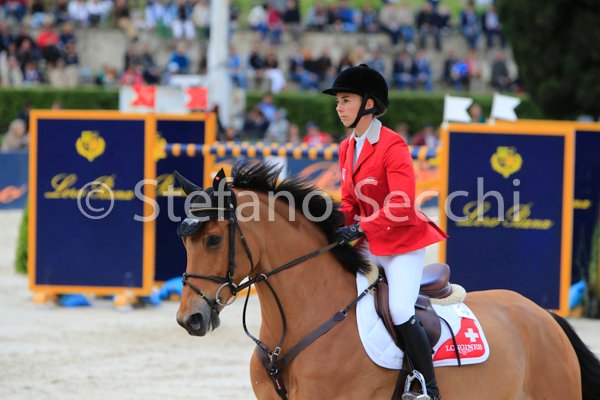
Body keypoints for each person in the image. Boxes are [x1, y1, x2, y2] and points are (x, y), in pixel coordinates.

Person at [323, 64, 447, 400]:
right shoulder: (347, 147)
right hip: (369, 243)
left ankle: (428, 387)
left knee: (400, 311)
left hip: (402, 244)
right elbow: (350, 202)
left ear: (368, 104)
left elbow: (402, 203)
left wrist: (360, 226)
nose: (339, 107)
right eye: (338, 100)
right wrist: (329, 222)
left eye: (345, 100)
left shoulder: (393, 145)